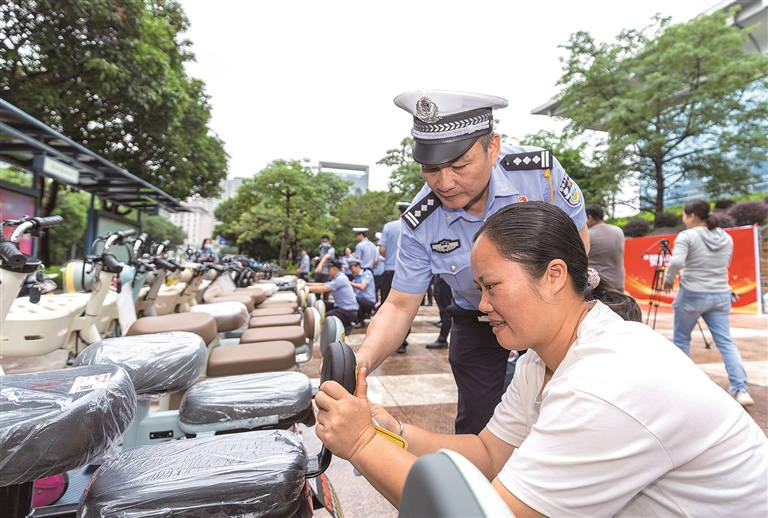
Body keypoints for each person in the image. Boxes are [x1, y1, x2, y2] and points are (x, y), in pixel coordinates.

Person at [316, 202, 768, 517]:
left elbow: (488, 513)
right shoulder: (543, 355)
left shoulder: (604, 382)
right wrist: (387, 429)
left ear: (554, 276)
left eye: (492, 287)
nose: (481, 305)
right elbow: (490, 454)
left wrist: (361, 445)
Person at [356, 90, 590, 434]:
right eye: (430, 169)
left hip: (552, 307)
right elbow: (400, 305)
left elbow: (578, 245)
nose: (445, 183)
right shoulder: (421, 220)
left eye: (460, 165)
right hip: (477, 318)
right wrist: (362, 360)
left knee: (573, 409)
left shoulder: (539, 174)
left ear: (492, 147)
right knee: (478, 422)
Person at [662, 199, 754, 407]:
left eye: (684, 215)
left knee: (682, 340)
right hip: (721, 294)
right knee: (725, 341)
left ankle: (683, 388)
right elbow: (724, 264)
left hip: (692, 294)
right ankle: (740, 389)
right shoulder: (726, 237)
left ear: (692, 216)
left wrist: (668, 279)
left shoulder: (687, 235)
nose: (683, 219)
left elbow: (676, 262)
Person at [378, 201, 411, 353]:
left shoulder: (389, 226)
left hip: (390, 270)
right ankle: (402, 341)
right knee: (406, 307)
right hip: (408, 272)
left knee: (388, 305)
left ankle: (388, 340)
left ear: (399, 212)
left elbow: (382, 251)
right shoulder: (415, 225)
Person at [307, 258, 358, 330]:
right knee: (321, 303)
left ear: (334, 269)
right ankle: (345, 324)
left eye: (329, 269)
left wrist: (306, 288)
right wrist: (306, 284)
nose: (328, 271)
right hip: (341, 307)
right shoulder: (337, 278)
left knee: (328, 317)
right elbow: (323, 285)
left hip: (348, 311)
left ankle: (346, 325)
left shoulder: (341, 279)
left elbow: (322, 289)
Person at [585, 203, 626, 291]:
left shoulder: (588, 235)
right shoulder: (618, 231)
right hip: (618, 283)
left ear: (589, 218)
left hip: (598, 285)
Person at [425, 274, 452, 349]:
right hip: (442, 277)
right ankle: (443, 336)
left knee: (447, 309)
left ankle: (442, 339)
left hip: (447, 277)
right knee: (442, 302)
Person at [349, 259, 376, 327]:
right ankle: (355, 319)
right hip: (361, 302)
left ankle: (360, 320)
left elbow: (362, 287)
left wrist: (349, 283)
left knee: (355, 299)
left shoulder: (366, 273)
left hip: (369, 302)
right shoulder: (355, 279)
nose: (351, 271)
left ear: (358, 266)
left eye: (352, 269)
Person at [314, 234, 335, 302]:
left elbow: (326, 257)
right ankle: (317, 303)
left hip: (326, 272)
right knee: (317, 288)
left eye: (325, 241)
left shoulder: (331, 249)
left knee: (326, 290)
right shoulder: (321, 247)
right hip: (319, 271)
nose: (324, 243)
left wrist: (320, 265)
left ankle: (325, 304)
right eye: (323, 241)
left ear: (329, 241)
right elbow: (321, 256)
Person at [372, 232, 385, 303]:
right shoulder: (386, 248)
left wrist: (372, 265)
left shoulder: (376, 249)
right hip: (384, 272)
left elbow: (375, 261)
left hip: (377, 272)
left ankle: (376, 304)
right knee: (383, 290)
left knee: (375, 290)